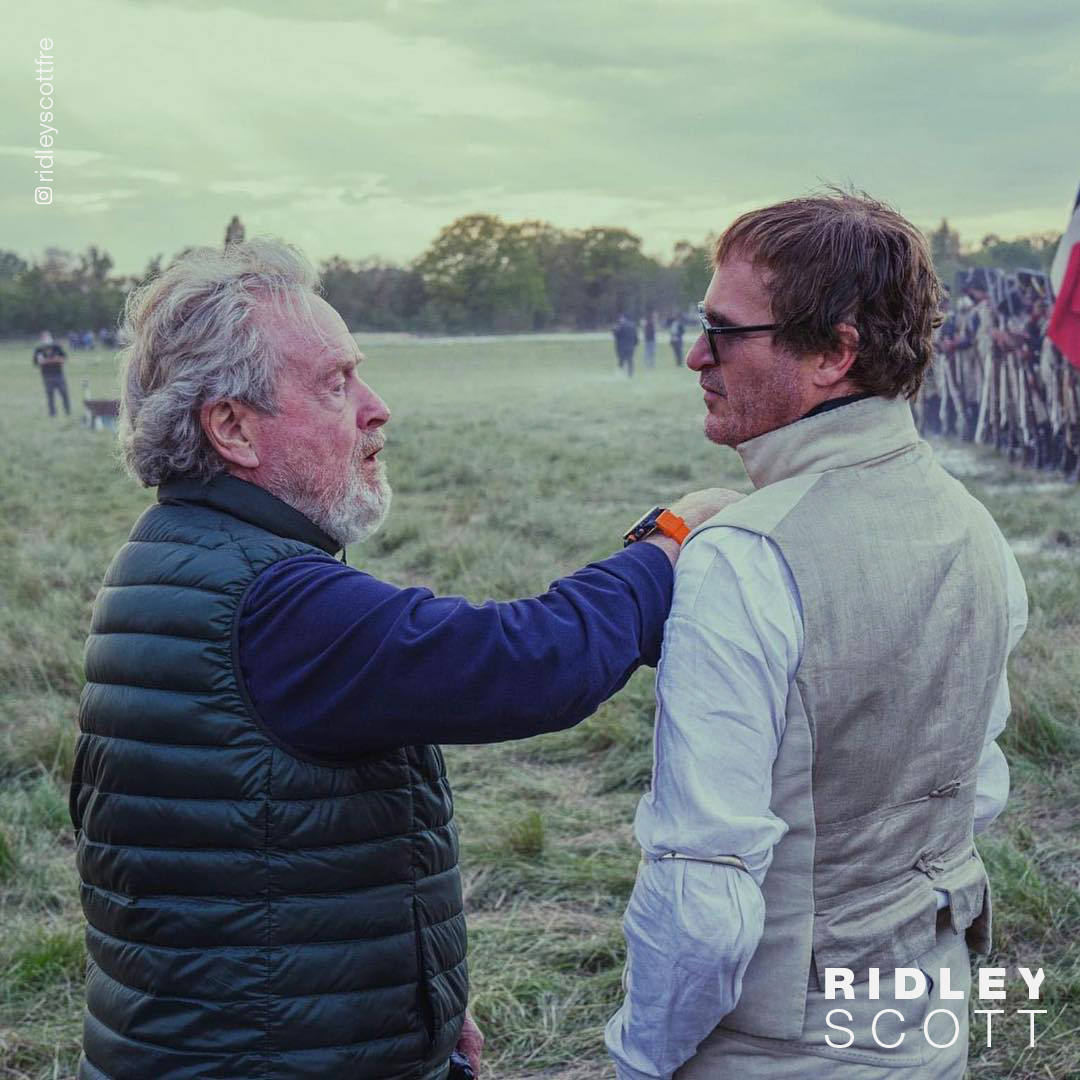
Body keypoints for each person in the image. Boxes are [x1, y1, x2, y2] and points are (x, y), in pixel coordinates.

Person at [68, 238, 739, 1080]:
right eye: (336, 382)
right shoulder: (271, 605)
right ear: (232, 428)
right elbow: (527, 663)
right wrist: (669, 545)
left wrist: (412, 1021)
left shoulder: (180, 554)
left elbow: (260, 872)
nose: (377, 407)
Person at [605, 191, 1026, 1079]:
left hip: (779, 1050)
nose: (694, 355)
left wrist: (642, 1058)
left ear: (835, 351)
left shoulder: (742, 560)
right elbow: (975, 789)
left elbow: (701, 890)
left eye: (725, 332)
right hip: (929, 1018)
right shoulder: (975, 526)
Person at [32, 331, 71, 417]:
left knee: (64, 393)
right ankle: (52, 414)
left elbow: (64, 358)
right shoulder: (39, 350)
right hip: (46, 375)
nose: (46, 339)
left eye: (47, 337)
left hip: (59, 374)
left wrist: (47, 361)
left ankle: (68, 412)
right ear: (41, 339)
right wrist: (54, 360)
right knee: (50, 395)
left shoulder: (57, 347)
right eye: (44, 337)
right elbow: (36, 362)